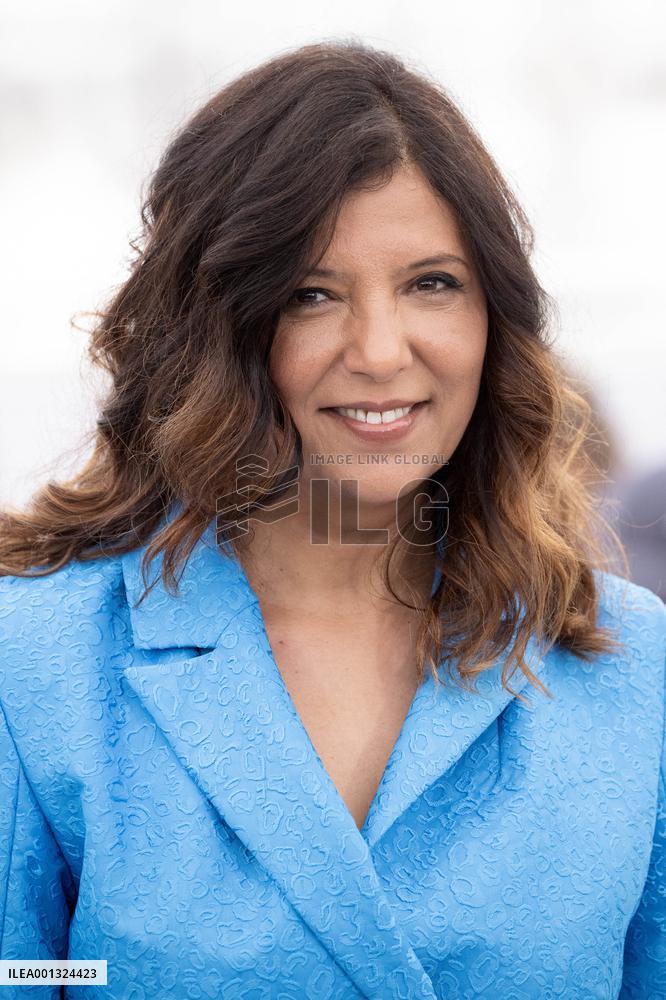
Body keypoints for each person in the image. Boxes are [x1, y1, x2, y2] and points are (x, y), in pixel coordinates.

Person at [0, 39, 664, 1000]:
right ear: (217, 325)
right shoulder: (37, 664)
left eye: (432, 283)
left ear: (495, 317)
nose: (382, 350)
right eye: (312, 294)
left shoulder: (628, 664)